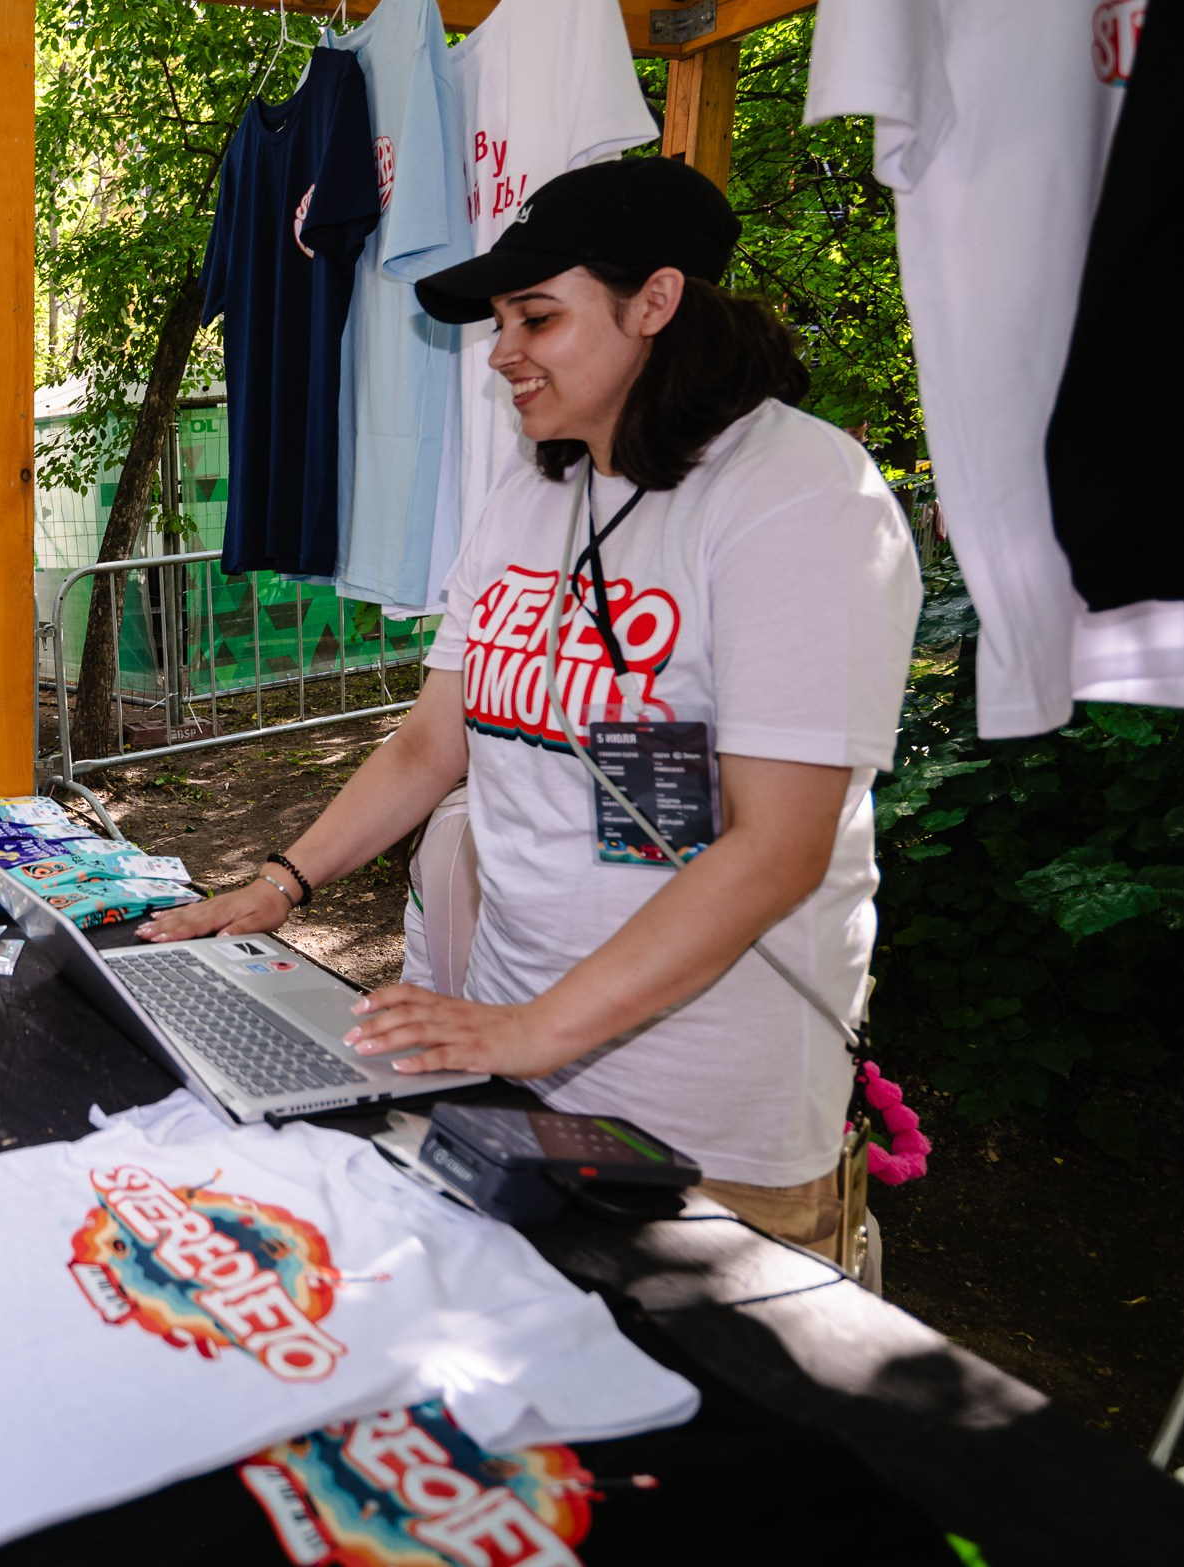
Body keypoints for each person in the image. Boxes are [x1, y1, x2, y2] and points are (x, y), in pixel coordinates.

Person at [142, 158, 921, 1259]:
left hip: (706, 1121)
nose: (501, 351)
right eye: (502, 320)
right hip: (503, 1068)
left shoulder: (800, 496)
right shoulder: (532, 486)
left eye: (535, 316)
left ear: (654, 302)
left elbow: (779, 848)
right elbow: (430, 743)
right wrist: (281, 882)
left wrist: (526, 1027)